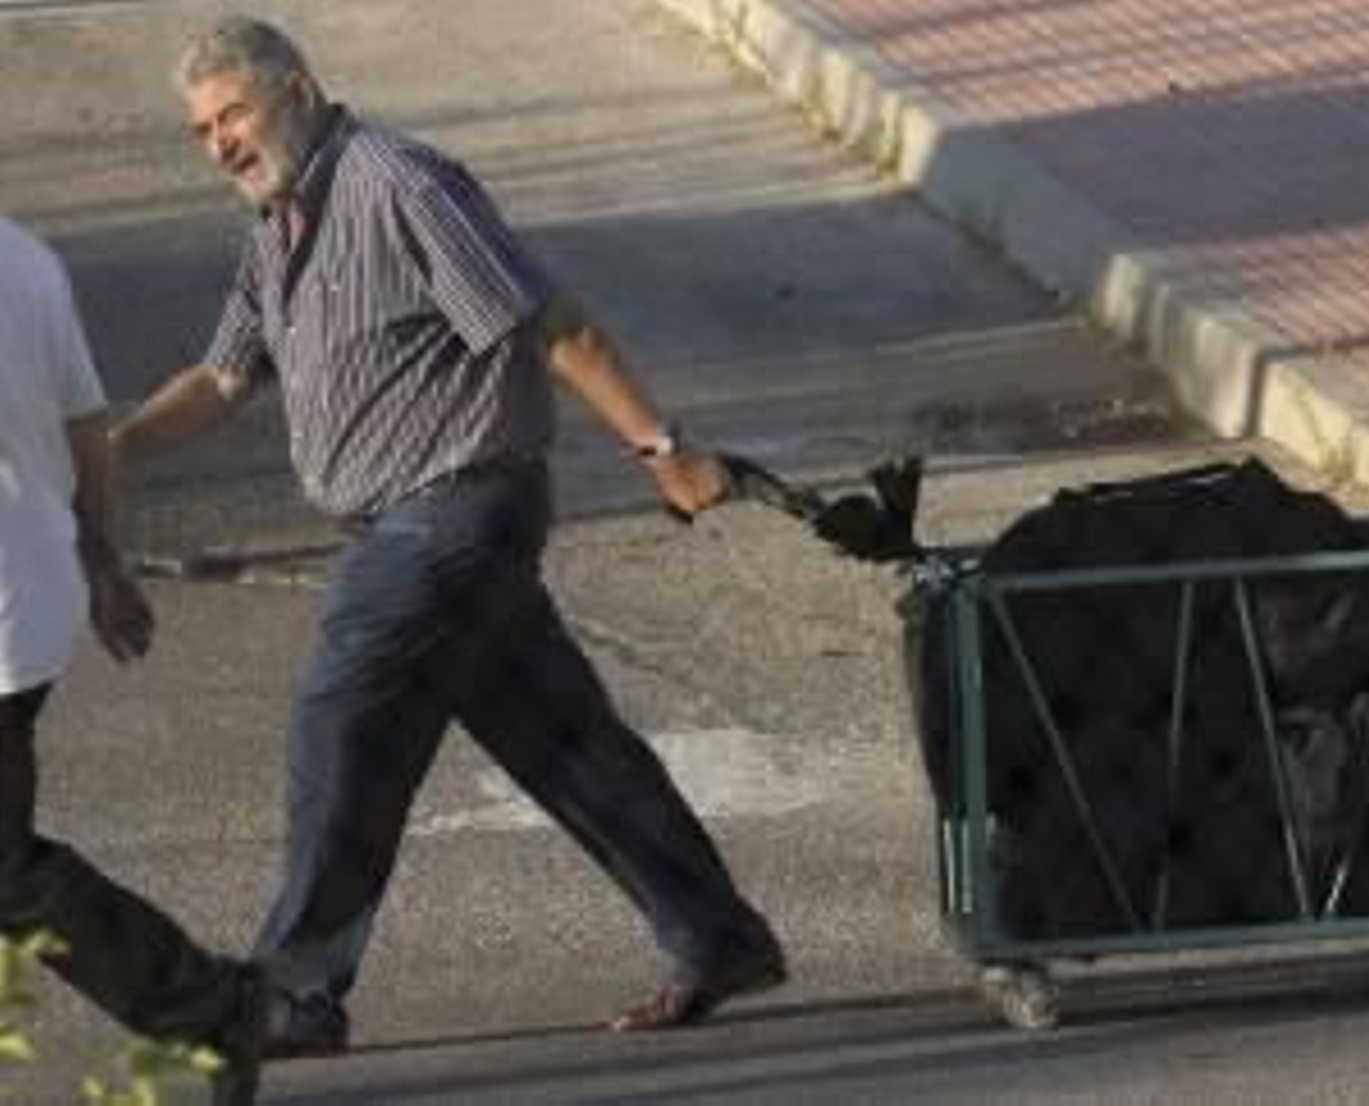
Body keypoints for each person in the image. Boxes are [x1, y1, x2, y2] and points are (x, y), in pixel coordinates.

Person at [112, 16, 785, 1057]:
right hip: (408, 523)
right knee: (565, 741)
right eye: (201, 129)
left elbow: (550, 323)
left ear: (298, 87)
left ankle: (295, 992)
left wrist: (666, 451)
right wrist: (107, 451)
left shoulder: (401, 185)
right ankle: (719, 934)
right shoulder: (276, 224)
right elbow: (220, 379)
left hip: (454, 509)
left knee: (341, 721)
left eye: (233, 113)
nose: (221, 143)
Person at [0, 217, 262, 1104]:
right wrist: (101, 561)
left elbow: (82, 431)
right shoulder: (26, 258)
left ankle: (214, 1008)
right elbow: (87, 430)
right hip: (30, 596)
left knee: (5, 872)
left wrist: (104, 562)